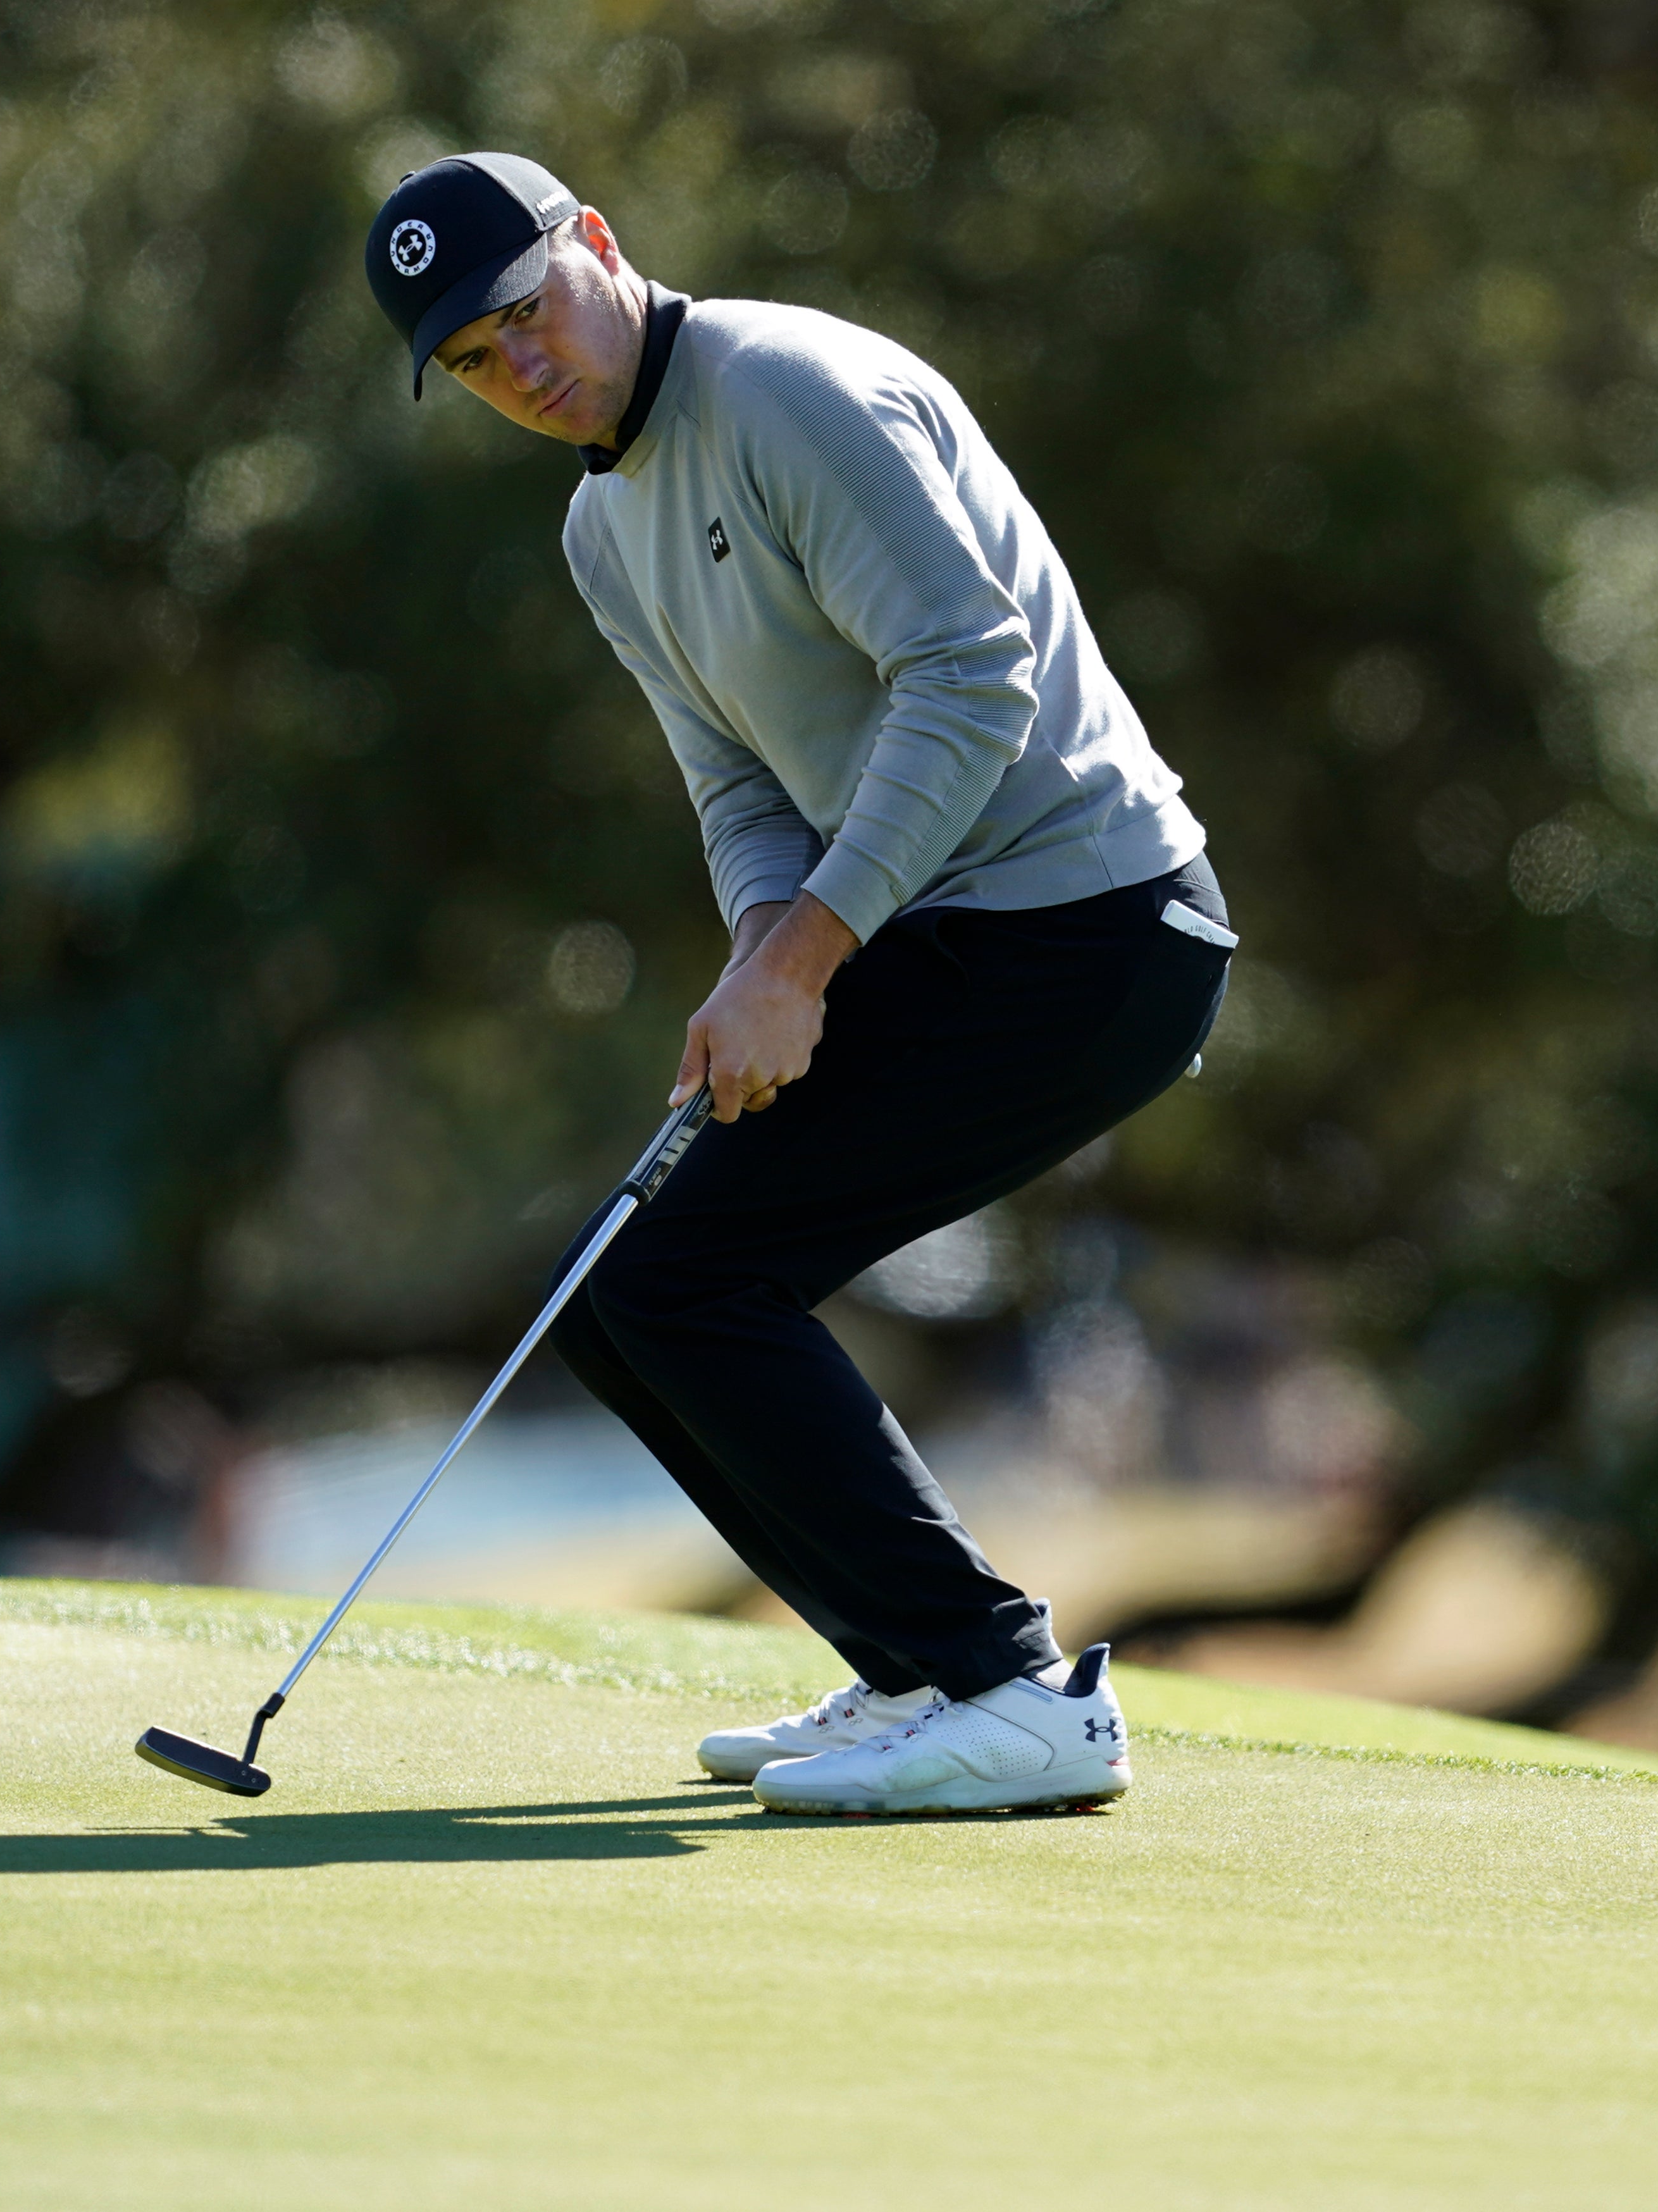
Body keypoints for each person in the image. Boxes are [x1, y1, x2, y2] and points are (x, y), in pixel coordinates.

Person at [361, 153, 1232, 1814]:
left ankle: (1005, 1689)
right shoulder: (603, 526)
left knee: (693, 1275)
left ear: (598, 245)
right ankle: (921, 1668)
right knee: (628, 1294)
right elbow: (737, 783)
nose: (520, 368)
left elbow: (974, 677)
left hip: (1095, 925)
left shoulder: (791, 388)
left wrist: (815, 952)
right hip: (948, 931)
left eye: (525, 311)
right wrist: (764, 955)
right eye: (474, 361)